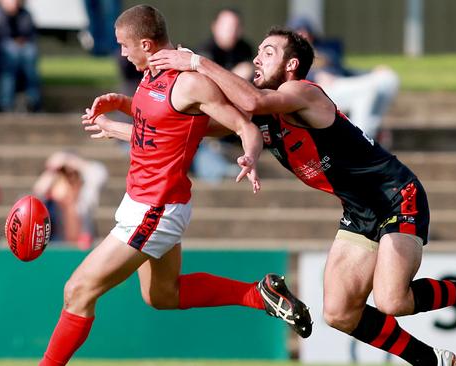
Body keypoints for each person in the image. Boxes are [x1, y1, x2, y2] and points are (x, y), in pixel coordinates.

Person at [147, 28, 456, 365]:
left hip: (396, 196)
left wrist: (196, 62)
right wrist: (127, 120)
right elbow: (197, 126)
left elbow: (255, 100)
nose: (258, 58)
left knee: (392, 301)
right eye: (258, 52)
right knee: (339, 312)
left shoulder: (301, 93)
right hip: (359, 211)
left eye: (268, 52)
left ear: (292, 65)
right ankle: (431, 360)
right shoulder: (263, 112)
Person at [38, 6, 312, 366]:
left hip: (156, 207)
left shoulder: (189, 82)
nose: (121, 52)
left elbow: (244, 124)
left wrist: (250, 156)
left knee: (77, 290)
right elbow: (158, 128)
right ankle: (259, 294)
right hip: (145, 201)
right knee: (164, 295)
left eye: (124, 45)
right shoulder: (151, 73)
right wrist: (119, 109)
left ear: (146, 43)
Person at [289, 17, 399, 142]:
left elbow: (344, 70)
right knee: (367, 90)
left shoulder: (326, 49)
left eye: (306, 29)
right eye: (298, 30)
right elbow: (288, 78)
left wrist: (371, 71)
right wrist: (314, 76)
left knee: (388, 78)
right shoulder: (292, 54)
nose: (304, 33)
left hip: (341, 83)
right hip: (320, 90)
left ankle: (372, 129)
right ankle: (360, 142)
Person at [192, 7, 256, 182]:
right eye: (227, 27)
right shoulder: (205, 51)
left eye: (235, 27)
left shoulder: (245, 48)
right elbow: (206, 87)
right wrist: (235, 76)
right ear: (215, 27)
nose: (232, 32)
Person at [33, 151, 108, 249]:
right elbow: (37, 192)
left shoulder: (85, 201)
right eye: (63, 177)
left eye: (73, 177)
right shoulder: (48, 207)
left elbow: (98, 173)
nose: (69, 181)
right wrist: (52, 170)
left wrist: (68, 160)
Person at [0, 0, 41, 112]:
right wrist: (8, 15)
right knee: (11, 54)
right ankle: (6, 103)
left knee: (30, 52)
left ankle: (33, 101)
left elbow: (28, 34)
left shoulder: (24, 14)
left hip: (21, 53)